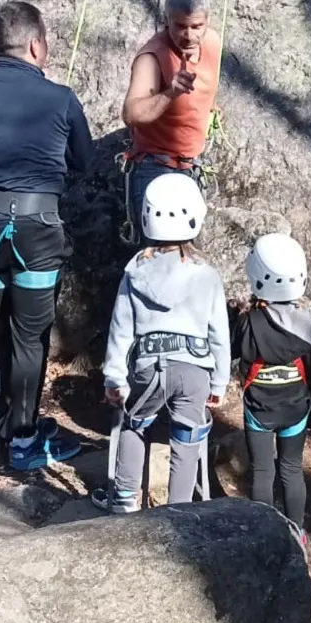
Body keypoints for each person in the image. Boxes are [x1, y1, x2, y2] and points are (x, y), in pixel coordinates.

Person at [0, 1, 94, 470]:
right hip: (36, 228)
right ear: (35, 44)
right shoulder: (60, 98)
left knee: (9, 328)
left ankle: (12, 419)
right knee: (30, 337)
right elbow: (84, 163)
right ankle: (25, 440)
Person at [92, 173, 231, 513]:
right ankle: (178, 510)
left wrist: (114, 377)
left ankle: (124, 499)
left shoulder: (135, 271)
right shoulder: (207, 275)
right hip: (195, 367)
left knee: (133, 422)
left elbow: (120, 329)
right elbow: (219, 335)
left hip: (148, 365)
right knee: (187, 437)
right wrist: (220, 382)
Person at [230, 233, 311, 546]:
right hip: (296, 409)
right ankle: (296, 531)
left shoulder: (247, 323)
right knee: (291, 468)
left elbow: (236, 352)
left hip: (259, 408)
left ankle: (262, 533)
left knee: (262, 470)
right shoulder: (309, 325)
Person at [119, 0, 222, 244]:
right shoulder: (152, 57)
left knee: (188, 258)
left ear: (207, 21)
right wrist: (169, 94)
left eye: (196, 26)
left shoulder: (212, 43)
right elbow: (131, 113)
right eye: (180, 26)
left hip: (191, 167)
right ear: (167, 20)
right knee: (160, 258)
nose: (188, 35)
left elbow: (206, 87)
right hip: (155, 168)